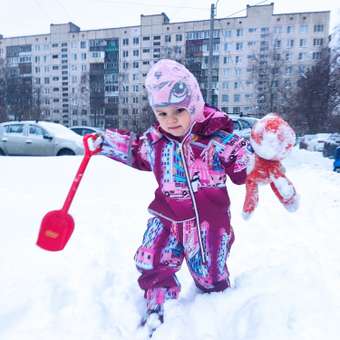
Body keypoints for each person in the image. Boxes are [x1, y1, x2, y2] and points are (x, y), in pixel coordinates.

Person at [95, 59, 252, 328]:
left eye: (179, 110)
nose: (171, 120)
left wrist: (258, 156)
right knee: (151, 259)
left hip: (207, 224)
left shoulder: (218, 141)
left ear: (193, 105)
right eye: (162, 113)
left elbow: (243, 171)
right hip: (166, 216)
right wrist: (107, 143)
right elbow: (135, 152)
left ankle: (217, 310)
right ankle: (159, 299)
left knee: (210, 274)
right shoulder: (156, 143)